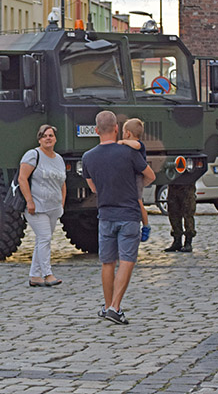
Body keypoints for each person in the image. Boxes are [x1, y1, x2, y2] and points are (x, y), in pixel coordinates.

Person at [82, 111, 155, 325]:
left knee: (107, 262)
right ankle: (115, 306)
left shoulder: (88, 157)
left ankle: (107, 307)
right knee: (127, 260)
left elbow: (93, 187)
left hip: (105, 214)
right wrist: (136, 187)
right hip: (129, 213)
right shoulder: (127, 153)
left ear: (96, 130)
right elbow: (150, 175)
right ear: (116, 128)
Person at [18, 124, 67, 287]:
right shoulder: (33, 155)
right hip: (36, 207)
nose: (48, 138)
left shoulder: (59, 159)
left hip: (53, 207)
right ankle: (47, 274)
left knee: (43, 240)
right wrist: (29, 201)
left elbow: (62, 183)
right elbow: (22, 178)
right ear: (39, 139)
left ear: (55, 139)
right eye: (45, 135)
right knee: (45, 238)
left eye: (51, 135)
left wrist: (62, 203)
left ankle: (35, 276)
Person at [117, 118, 152, 242]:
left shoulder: (138, 145)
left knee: (138, 201)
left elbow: (136, 145)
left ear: (128, 133)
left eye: (123, 132)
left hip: (137, 177)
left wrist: (123, 142)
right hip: (132, 177)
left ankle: (146, 226)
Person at [164, 183, 197, 252]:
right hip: (173, 185)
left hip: (187, 186)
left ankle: (188, 242)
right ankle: (177, 240)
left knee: (188, 213)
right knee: (173, 213)